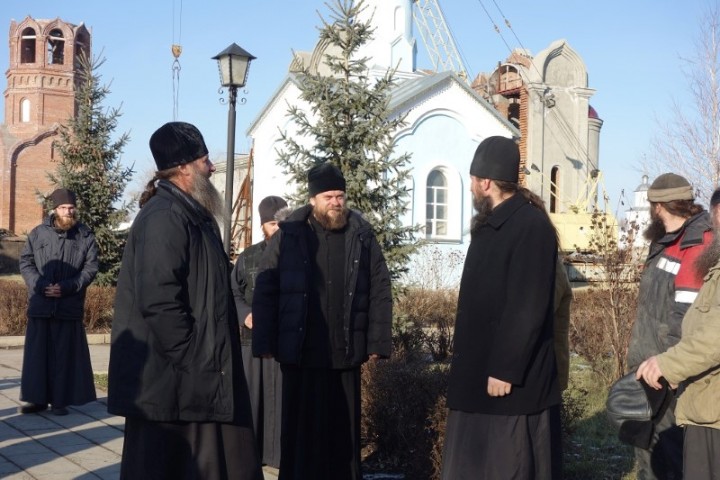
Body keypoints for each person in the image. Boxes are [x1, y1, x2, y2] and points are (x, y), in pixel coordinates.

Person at [107, 121, 263, 480]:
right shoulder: (164, 216)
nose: (212, 167)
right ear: (184, 168)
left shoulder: (191, 213)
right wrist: (194, 358)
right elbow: (159, 301)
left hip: (198, 375)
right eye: (205, 160)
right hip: (176, 381)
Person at [252, 162, 393, 480]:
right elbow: (266, 287)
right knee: (300, 438)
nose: (335, 202)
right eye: (328, 197)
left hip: (345, 354)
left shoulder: (361, 234)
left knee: (342, 438)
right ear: (313, 199)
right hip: (301, 353)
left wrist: (377, 342)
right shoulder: (289, 234)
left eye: (340, 196)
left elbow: (380, 287)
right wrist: (264, 340)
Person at [440, 136, 561, 479]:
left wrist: (506, 369)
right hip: (477, 376)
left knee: (507, 465)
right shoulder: (490, 225)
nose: (470, 188)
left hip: (508, 384)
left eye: (472, 181)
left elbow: (528, 305)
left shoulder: (530, 226)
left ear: (486, 183)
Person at [626, 172, 712, 479]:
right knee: (648, 452)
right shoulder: (666, 241)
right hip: (649, 367)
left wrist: (669, 368)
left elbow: (686, 317)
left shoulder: (696, 244)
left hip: (667, 374)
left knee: (668, 458)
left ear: (658, 206)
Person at [17, 188, 99, 416]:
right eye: (63, 208)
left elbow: (90, 268)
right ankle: (36, 399)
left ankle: (60, 400)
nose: (68, 212)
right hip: (41, 303)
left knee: (64, 355)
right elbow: (26, 262)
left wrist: (67, 286)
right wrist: (40, 285)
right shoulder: (37, 234)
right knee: (37, 355)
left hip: (68, 304)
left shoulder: (85, 235)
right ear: (54, 209)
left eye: (71, 208)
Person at [231, 195, 289, 469]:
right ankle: (252, 455)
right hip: (251, 342)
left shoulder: (299, 255)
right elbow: (233, 292)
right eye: (272, 224)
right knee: (254, 400)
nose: (277, 229)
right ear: (263, 225)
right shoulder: (248, 257)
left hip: (285, 343)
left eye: (281, 223)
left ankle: (281, 456)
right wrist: (245, 315)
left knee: (282, 402)